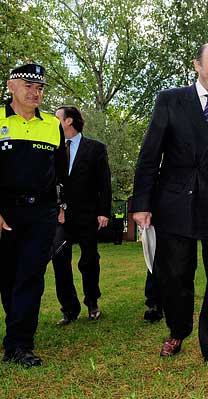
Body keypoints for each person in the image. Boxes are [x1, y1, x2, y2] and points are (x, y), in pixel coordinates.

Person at [131, 43, 208, 372]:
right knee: (175, 277)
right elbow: (150, 154)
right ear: (197, 65)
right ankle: (178, 329)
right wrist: (141, 202)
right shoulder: (170, 100)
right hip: (175, 205)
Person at [0, 63, 67, 366]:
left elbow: (60, 171)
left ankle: (19, 344)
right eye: (28, 85)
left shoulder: (52, 125)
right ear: (11, 86)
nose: (35, 92)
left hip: (41, 213)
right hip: (6, 212)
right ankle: (14, 335)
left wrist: (58, 208)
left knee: (31, 277)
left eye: (39, 87)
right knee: (8, 277)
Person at [51, 106, 111, 325]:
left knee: (89, 260)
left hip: (87, 215)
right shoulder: (53, 148)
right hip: (60, 217)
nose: (53, 120)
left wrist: (103, 211)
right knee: (59, 258)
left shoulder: (95, 149)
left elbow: (104, 183)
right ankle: (69, 309)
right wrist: (57, 209)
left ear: (68, 121)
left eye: (56, 117)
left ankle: (92, 302)